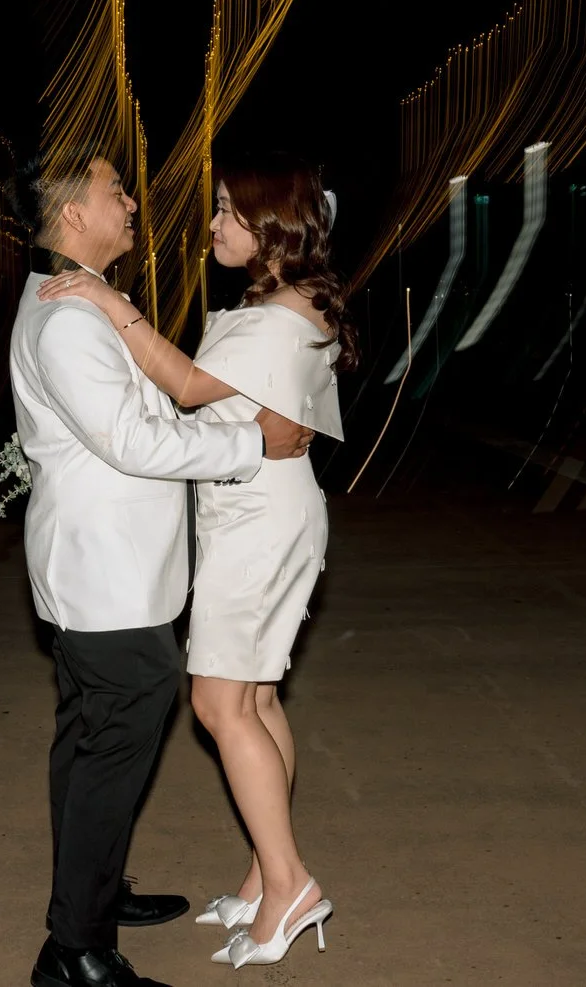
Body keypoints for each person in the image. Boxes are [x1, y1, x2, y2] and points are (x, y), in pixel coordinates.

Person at [37, 152, 354, 968]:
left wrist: (110, 302)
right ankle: (262, 872)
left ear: (271, 226)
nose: (211, 224)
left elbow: (180, 388)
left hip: (257, 523)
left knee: (219, 705)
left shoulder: (279, 312)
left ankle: (288, 885)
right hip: (269, 514)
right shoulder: (295, 299)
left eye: (226, 212)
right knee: (256, 700)